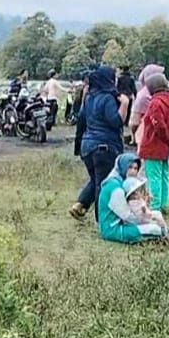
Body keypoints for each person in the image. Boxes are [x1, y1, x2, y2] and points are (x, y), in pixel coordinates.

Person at [69, 65, 130, 221]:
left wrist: (78, 146)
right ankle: (102, 220)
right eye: (114, 77)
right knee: (103, 184)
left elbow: (81, 120)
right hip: (104, 146)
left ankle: (81, 204)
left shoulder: (89, 97)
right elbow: (116, 122)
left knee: (97, 178)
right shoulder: (108, 98)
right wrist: (124, 105)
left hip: (87, 145)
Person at [97, 153, 169, 245]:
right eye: (130, 167)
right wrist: (147, 220)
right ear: (123, 166)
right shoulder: (115, 188)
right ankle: (167, 238)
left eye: (135, 168)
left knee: (157, 215)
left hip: (121, 223)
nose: (133, 172)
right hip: (113, 229)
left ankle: (168, 236)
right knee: (154, 229)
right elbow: (127, 216)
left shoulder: (121, 182)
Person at [139, 73, 169, 213]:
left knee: (154, 177)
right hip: (167, 148)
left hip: (153, 145)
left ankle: (155, 207)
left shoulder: (155, 103)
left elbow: (158, 125)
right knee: (165, 175)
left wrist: (167, 137)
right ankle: (165, 205)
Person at [129, 64, 164, 147]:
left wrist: (133, 138)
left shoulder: (144, 95)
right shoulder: (146, 96)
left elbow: (134, 123)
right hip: (151, 138)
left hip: (149, 138)